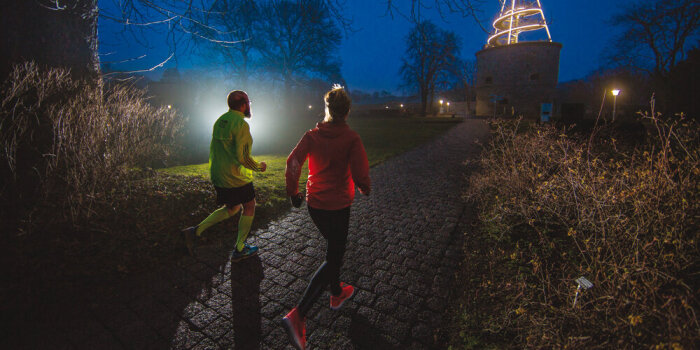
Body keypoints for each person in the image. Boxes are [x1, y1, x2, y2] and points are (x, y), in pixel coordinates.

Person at [281, 85, 371, 350]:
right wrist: (365, 186)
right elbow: (360, 171)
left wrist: (293, 192)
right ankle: (298, 314)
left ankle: (335, 293)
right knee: (334, 256)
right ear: (348, 111)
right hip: (338, 206)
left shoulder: (312, 136)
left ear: (327, 109)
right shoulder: (352, 138)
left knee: (334, 248)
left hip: (315, 205)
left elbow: (292, 162)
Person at [181, 90, 267, 262]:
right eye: (249, 102)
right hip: (235, 176)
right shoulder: (241, 125)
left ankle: (194, 232)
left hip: (219, 174)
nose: (249, 105)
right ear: (243, 104)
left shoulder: (220, 120)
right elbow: (242, 157)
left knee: (232, 207)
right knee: (249, 205)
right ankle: (240, 248)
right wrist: (259, 167)